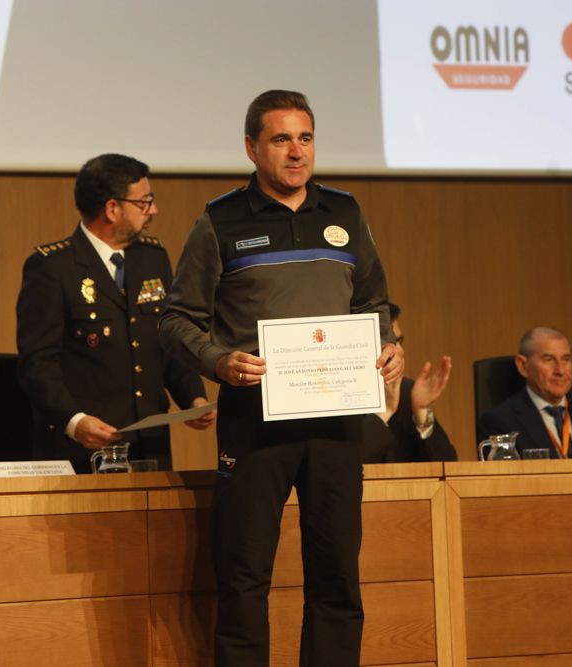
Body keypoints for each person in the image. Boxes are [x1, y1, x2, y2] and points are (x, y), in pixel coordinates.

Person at [159, 90, 404, 667]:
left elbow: (373, 302)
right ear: (251, 147)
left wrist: (387, 344)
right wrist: (218, 362)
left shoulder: (344, 212)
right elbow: (176, 319)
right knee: (245, 579)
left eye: (306, 138)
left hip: (339, 420)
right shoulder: (221, 220)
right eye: (281, 139)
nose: (297, 153)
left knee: (337, 576)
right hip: (255, 421)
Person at [16, 153, 213, 473]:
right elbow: (37, 364)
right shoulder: (53, 267)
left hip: (150, 445)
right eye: (144, 202)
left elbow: (166, 340)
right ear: (112, 208)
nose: (154, 211)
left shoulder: (152, 257)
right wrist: (74, 421)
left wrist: (193, 399)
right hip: (84, 449)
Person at [476, 326, 572, 458]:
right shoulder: (499, 423)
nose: (560, 371)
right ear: (523, 366)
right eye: (548, 360)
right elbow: (510, 481)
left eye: (565, 359)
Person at [362, 302, 457, 462]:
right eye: (391, 342)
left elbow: (448, 466)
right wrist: (384, 413)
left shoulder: (408, 392)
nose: (400, 351)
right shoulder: (344, 398)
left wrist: (421, 411)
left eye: (399, 341)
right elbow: (346, 469)